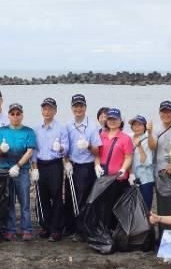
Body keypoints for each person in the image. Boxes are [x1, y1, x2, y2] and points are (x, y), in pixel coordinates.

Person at [0, 103, 37, 241]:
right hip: (5, 170)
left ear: (22, 115)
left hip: (21, 171)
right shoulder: (2, 130)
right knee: (9, 201)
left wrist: (18, 165)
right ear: (9, 115)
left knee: (24, 201)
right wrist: (1, 149)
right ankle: (10, 229)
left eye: (18, 114)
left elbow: (30, 151)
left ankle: (26, 229)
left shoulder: (28, 131)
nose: (15, 116)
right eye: (12, 114)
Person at [63, 94, 102, 241]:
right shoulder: (67, 126)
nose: (78, 108)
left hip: (86, 167)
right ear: (72, 108)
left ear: (85, 107)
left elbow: (97, 151)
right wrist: (66, 162)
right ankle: (70, 227)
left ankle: (81, 231)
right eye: (75, 106)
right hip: (72, 165)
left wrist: (88, 145)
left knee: (82, 199)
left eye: (81, 105)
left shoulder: (92, 126)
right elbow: (65, 148)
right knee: (69, 197)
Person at [31, 98, 70, 241]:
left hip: (55, 164)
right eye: (45, 109)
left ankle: (56, 229)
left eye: (50, 109)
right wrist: (34, 166)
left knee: (57, 196)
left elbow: (66, 147)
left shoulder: (61, 127)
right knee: (42, 197)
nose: (47, 111)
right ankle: (45, 226)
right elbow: (33, 149)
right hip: (41, 165)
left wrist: (60, 148)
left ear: (55, 111)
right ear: (42, 110)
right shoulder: (36, 128)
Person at [95, 108, 134, 227]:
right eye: (110, 119)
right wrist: (96, 165)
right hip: (104, 178)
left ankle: (115, 232)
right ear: (106, 121)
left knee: (117, 207)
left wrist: (123, 169)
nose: (112, 121)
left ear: (120, 121)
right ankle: (104, 231)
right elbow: (97, 154)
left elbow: (128, 157)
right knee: (103, 207)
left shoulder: (125, 138)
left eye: (115, 119)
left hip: (118, 179)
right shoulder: (101, 135)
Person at [146, 100, 171, 174]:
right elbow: (152, 147)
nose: (166, 114)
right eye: (163, 112)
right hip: (159, 170)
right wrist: (149, 133)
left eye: (169, 112)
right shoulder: (155, 129)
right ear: (159, 113)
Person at [129, 115, 155, 209]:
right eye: (134, 125)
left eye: (140, 125)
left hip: (145, 179)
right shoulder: (130, 139)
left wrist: (139, 146)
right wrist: (130, 174)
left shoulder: (148, 140)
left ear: (144, 127)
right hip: (133, 179)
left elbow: (146, 162)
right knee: (135, 207)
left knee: (145, 208)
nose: (137, 127)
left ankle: (148, 223)